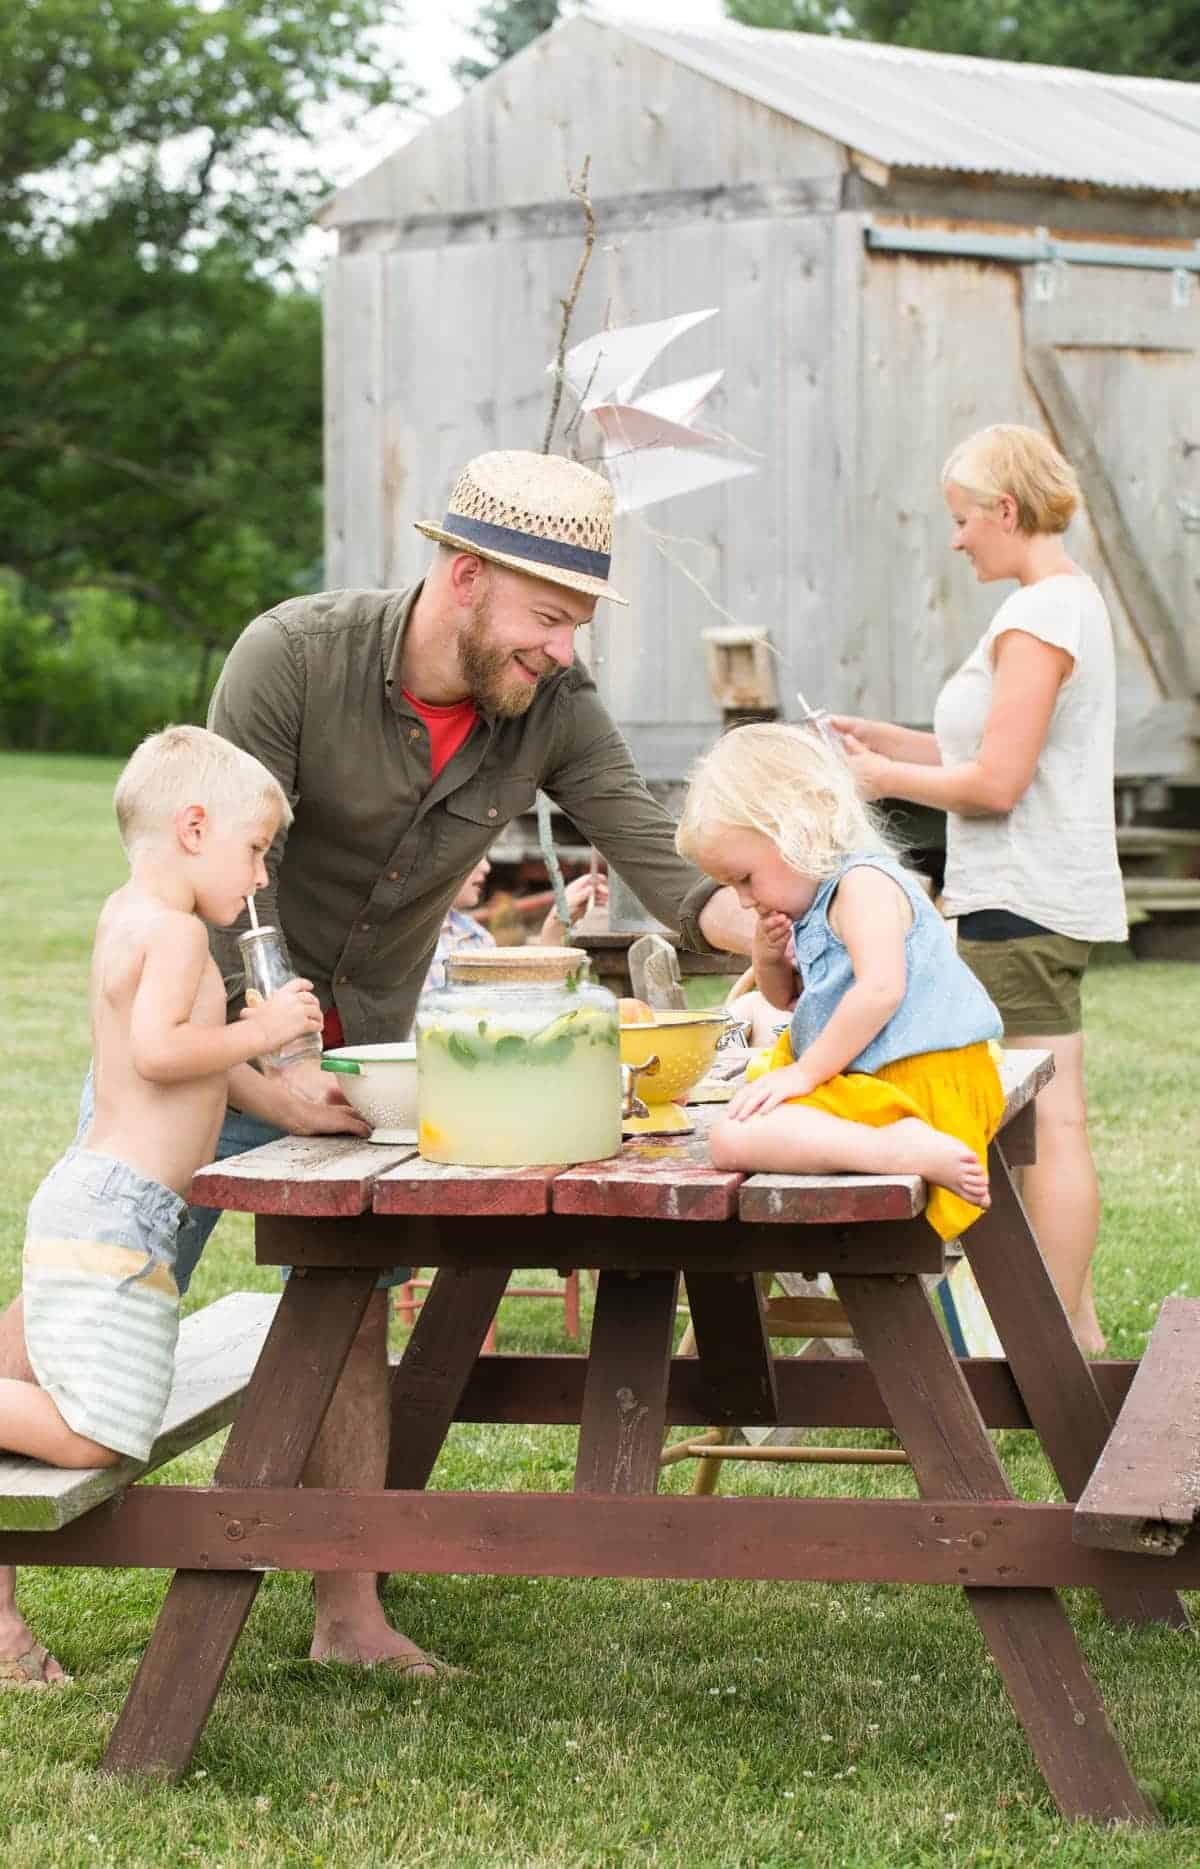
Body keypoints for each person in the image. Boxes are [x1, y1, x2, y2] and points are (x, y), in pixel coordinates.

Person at [0, 449, 751, 1684]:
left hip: (362, 1067)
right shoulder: (292, 654)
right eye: (549, 618)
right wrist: (273, 1063)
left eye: (575, 625)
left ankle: (348, 1614)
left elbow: (656, 850)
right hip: (205, 1050)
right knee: (97, 1284)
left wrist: (763, 921)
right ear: (464, 576)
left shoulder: (552, 709)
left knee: (347, 1297)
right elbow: (228, 898)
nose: (564, 649)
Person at [0, 727, 323, 1687]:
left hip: (104, 1205)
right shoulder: (180, 933)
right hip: (117, 1216)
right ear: (193, 826)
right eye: (255, 848)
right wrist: (268, 1025)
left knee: (109, 1416)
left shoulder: (129, 913)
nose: (261, 877)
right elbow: (156, 1054)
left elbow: (206, 1067)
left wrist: (292, 1094)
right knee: (101, 1430)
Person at [830, 424, 1125, 1352]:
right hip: (1037, 894)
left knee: (1041, 1119)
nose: (956, 539)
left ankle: (1039, 1340)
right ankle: (1066, 1332)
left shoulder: (1041, 616)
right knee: (1056, 1108)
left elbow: (996, 784)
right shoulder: (1061, 604)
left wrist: (881, 782)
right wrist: (883, 741)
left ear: (1006, 509)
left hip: (1019, 899)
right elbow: (986, 749)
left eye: (963, 519)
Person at [677, 722, 1005, 1241]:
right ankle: (885, 1142)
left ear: (797, 829)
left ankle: (894, 1148)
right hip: (878, 1084)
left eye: (744, 878)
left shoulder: (863, 886)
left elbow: (881, 990)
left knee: (733, 1138)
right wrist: (770, 956)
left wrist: (805, 1073)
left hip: (918, 1081)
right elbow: (785, 1001)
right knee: (743, 1124)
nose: (741, 898)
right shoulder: (815, 905)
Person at [421, 856, 607, 995]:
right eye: (475, 856)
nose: (486, 867)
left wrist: (555, 925)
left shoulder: (476, 936)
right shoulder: (400, 939)